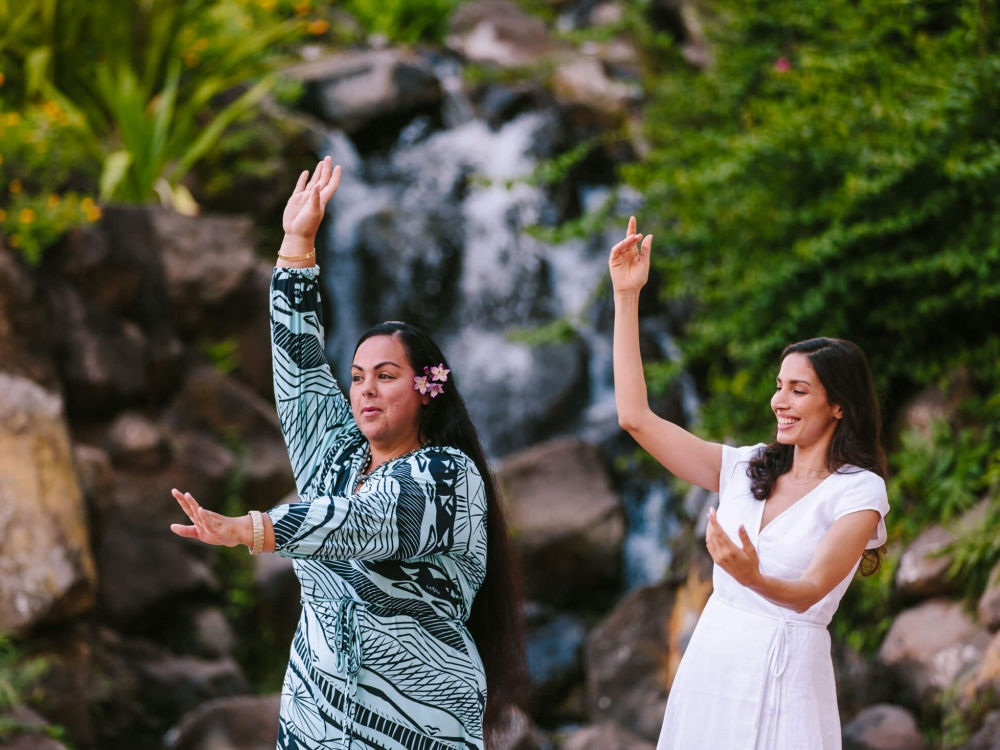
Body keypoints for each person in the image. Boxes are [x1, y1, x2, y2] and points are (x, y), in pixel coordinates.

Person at [170, 156, 527, 750]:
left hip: (419, 725)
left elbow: (365, 522)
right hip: (316, 720)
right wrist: (296, 242)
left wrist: (252, 529)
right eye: (358, 376)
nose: (365, 388)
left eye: (386, 375)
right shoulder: (334, 456)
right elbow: (301, 368)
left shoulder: (446, 476)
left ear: (425, 388)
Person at [609, 217, 890, 750]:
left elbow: (810, 592)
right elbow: (635, 417)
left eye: (798, 390)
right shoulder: (745, 467)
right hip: (713, 666)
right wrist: (627, 297)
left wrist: (751, 575)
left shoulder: (859, 492)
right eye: (778, 386)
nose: (778, 401)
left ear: (838, 405)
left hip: (788, 680)